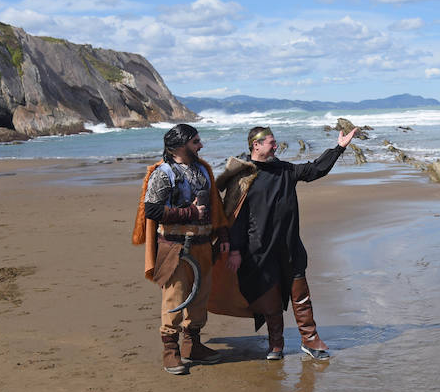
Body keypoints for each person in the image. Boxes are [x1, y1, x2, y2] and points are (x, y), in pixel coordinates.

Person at [222, 125, 358, 361]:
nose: (276, 146)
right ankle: (276, 344)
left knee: (300, 295)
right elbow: (236, 218)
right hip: (259, 249)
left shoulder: (284, 169)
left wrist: (339, 148)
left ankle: (310, 339)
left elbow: (316, 169)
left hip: (289, 246)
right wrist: (234, 250)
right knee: (270, 299)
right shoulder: (244, 176)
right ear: (256, 145)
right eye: (271, 143)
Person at [132, 124, 230, 375]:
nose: (201, 145)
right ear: (179, 145)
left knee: (200, 298)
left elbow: (216, 207)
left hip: (203, 245)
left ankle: (192, 345)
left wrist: (222, 233)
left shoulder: (203, 170)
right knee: (174, 300)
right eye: (196, 141)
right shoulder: (163, 173)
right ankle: (170, 352)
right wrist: (189, 212)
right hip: (174, 247)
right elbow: (152, 210)